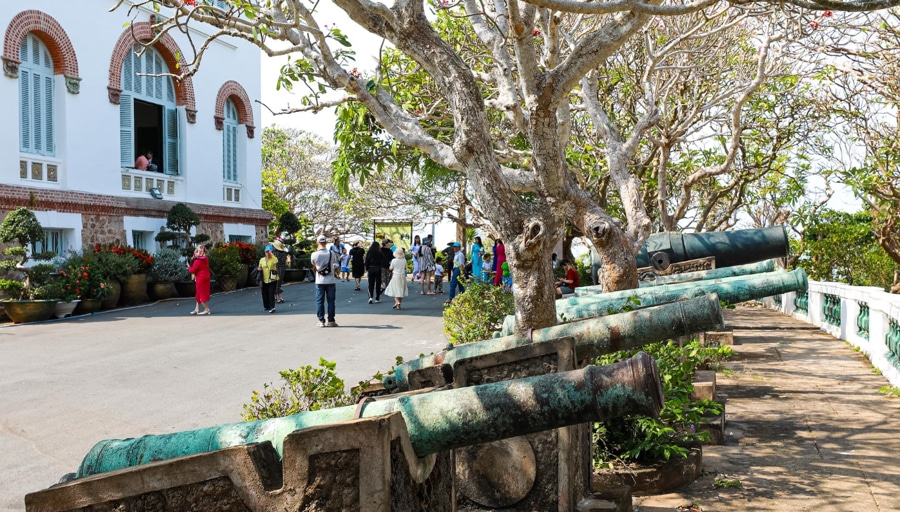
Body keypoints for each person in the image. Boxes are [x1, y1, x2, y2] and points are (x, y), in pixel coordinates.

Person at [311, 235, 340, 326]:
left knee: (320, 301)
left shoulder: (314, 254)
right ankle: (331, 321)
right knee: (331, 301)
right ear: (326, 243)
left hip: (319, 280)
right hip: (331, 280)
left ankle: (321, 321)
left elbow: (313, 264)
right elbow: (335, 264)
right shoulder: (332, 253)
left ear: (318, 242)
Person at [187, 245, 211, 315]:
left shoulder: (198, 261)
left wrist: (188, 267)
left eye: (197, 250)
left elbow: (192, 270)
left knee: (201, 294)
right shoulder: (205, 258)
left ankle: (206, 309)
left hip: (200, 279)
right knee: (198, 293)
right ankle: (196, 309)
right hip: (206, 277)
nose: (195, 252)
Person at [258, 245, 280, 313]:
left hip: (272, 278)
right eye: (266, 252)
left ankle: (272, 307)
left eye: (269, 251)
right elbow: (259, 267)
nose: (267, 253)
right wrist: (259, 269)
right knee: (264, 293)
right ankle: (266, 306)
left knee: (271, 293)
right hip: (264, 279)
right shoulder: (262, 259)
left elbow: (276, 261)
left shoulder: (274, 259)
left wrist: (271, 253)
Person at [272, 239, 290, 304]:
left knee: (274, 283)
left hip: (274, 269)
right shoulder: (284, 253)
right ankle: (279, 297)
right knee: (278, 283)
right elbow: (284, 262)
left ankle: (276, 296)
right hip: (282, 269)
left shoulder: (273, 253)